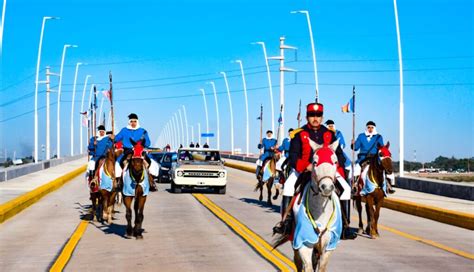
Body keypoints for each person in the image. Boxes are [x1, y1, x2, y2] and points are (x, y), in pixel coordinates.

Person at [274, 102, 347, 235]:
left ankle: (345, 226)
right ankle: (286, 223)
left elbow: (340, 155)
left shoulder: (329, 134)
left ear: (322, 117)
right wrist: (305, 166)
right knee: (289, 186)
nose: (315, 118)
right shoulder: (299, 134)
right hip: (304, 170)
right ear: (307, 117)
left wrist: (335, 168)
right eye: (312, 115)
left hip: (326, 171)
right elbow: (293, 156)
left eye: (318, 115)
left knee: (346, 189)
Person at [113, 113, 157, 191]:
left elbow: (148, 143)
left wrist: (144, 141)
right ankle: (119, 183)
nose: (133, 123)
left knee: (152, 164)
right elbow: (116, 138)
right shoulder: (124, 130)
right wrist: (112, 138)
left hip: (140, 152)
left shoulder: (143, 131)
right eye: (131, 121)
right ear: (129, 122)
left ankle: (151, 182)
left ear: (137, 122)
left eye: (135, 121)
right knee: (117, 165)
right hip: (128, 152)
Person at [351, 121, 394, 193]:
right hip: (363, 158)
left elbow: (381, 148)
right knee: (356, 169)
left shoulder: (379, 137)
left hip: (374, 158)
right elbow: (355, 148)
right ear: (366, 128)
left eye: (372, 127)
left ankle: (388, 185)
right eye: (368, 127)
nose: (370, 129)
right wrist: (353, 144)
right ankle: (355, 185)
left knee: (385, 168)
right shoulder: (361, 136)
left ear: (374, 128)